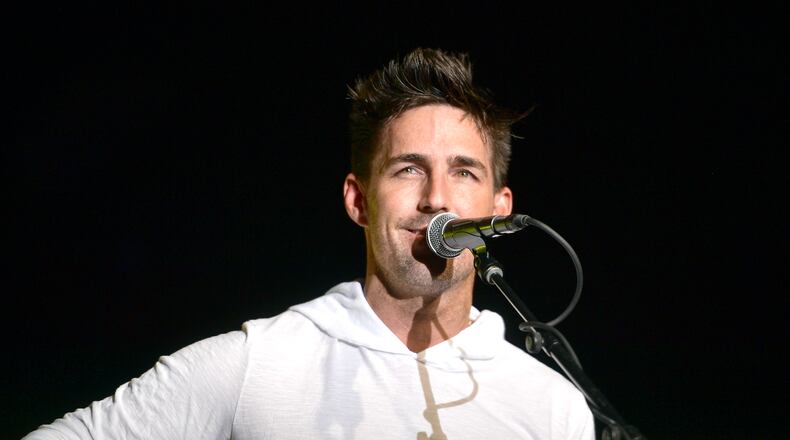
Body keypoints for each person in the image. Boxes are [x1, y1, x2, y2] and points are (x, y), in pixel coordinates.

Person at [23, 48, 594, 439]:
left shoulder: (553, 406)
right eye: (407, 170)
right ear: (358, 200)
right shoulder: (256, 364)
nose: (437, 199)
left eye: (464, 172)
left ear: (500, 210)